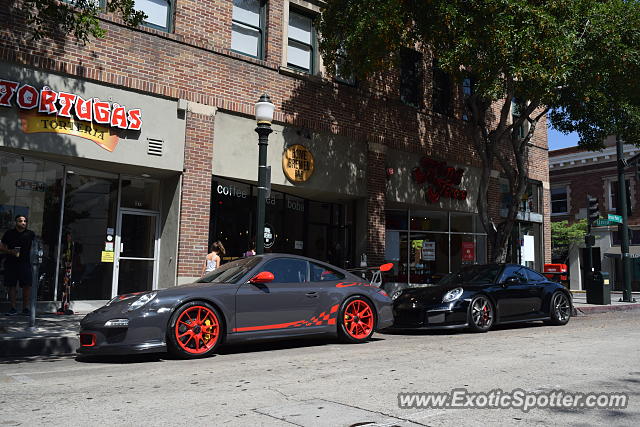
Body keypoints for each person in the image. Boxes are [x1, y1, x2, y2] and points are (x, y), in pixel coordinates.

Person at [0, 215, 35, 316]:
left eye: (25, 221)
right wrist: (10, 251)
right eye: (20, 221)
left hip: (25, 263)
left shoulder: (30, 234)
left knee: (26, 285)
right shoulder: (9, 233)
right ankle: (13, 308)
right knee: (11, 286)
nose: (23, 223)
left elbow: (36, 245)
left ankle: (25, 308)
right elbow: (1, 246)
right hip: (11, 263)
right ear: (16, 222)